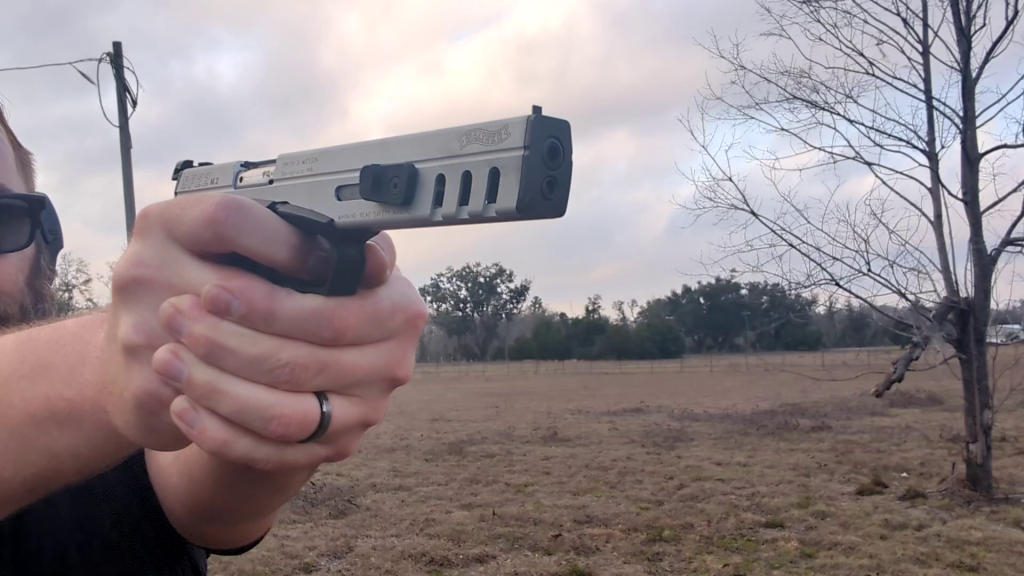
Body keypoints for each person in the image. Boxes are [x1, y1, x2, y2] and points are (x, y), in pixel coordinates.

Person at [0, 103, 429, 575]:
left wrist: (286, 364)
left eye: (1, 219)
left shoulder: (124, 417)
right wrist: (102, 366)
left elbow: (207, 507)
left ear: (45, 237)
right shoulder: (105, 387)